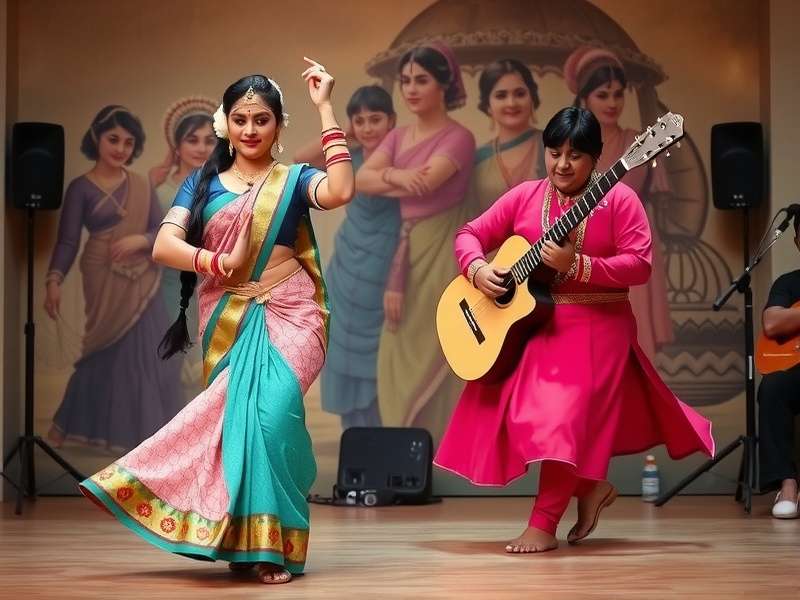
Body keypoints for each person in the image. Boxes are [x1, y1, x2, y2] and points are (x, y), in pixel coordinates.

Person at [79, 60, 355, 585]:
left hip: (293, 312)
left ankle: (275, 545)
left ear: (278, 125)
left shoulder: (292, 181)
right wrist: (214, 263)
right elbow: (164, 245)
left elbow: (340, 191)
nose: (252, 130)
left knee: (273, 421)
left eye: (263, 120)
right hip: (230, 314)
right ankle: (250, 546)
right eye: (242, 119)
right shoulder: (203, 183)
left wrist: (325, 107)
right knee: (241, 427)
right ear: (225, 122)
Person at [435, 107, 715, 553]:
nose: (562, 164)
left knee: (559, 420)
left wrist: (578, 265)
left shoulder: (620, 200)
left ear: (597, 158)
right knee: (516, 413)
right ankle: (588, 488)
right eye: (554, 153)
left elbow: (640, 265)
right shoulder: (525, 196)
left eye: (575, 155)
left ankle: (543, 524)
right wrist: (476, 268)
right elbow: (469, 233)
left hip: (599, 325)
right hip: (536, 327)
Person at [44, 105, 183, 452]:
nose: (120, 148)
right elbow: (68, 240)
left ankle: (146, 436)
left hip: (143, 278)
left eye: (128, 142)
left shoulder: (140, 185)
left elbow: (160, 229)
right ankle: (94, 430)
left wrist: (140, 240)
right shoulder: (80, 188)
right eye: (113, 139)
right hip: (102, 275)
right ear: (96, 137)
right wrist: (54, 280)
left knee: (148, 353)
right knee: (105, 349)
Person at [356, 42, 476, 441]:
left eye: (421, 80)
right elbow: (361, 181)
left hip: (442, 250)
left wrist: (387, 176)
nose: (410, 89)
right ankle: (402, 448)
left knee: (436, 345)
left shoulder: (458, 137)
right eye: (405, 81)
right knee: (394, 350)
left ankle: (441, 449)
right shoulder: (399, 136)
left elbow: (428, 183)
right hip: (405, 252)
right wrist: (397, 177)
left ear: (444, 84)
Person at [296, 86, 401, 429]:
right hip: (346, 266)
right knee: (342, 351)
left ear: (392, 121)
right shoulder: (348, 159)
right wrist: (344, 135)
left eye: (376, 119)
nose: (369, 127)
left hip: (386, 266)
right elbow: (298, 161)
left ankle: (382, 435)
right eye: (361, 120)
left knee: (379, 360)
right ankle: (355, 436)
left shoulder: (402, 159)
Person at [565, 46, 673, 360]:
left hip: (627, 246)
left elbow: (644, 199)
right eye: (603, 95)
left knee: (630, 345)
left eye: (618, 94)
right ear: (585, 98)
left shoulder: (636, 143)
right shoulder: (570, 146)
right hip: (580, 249)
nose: (613, 103)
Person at [150, 96, 217, 399]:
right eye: (193, 140)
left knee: (206, 366)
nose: (201, 147)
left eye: (209, 140)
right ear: (177, 146)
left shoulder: (224, 187)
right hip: (169, 286)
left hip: (215, 282)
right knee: (177, 365)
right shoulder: (160, 190)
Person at [758, 216, 800, 519]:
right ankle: (788, 486)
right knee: (772, 386)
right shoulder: (789, 283)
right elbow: (773, 323)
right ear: (797, 241)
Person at [471, 59, 546, 213]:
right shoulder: (479, 158)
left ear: (532, 98)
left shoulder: (554, 145)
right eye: (501, 96)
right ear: (487, 105)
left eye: (519, 94)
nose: (511, 103)